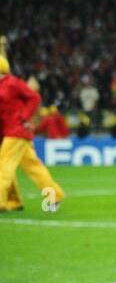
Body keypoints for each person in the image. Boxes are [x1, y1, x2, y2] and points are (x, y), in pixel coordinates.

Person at [0, 40, 65, 212]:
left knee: (4, 166)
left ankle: (2, 200)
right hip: (12, 132)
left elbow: (34, 97)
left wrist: (25, 116)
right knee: (34, 169)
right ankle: (54, 196)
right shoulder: (4, 85)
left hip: (17, 131)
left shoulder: (12, 83)